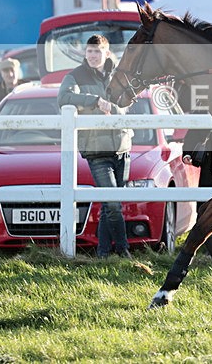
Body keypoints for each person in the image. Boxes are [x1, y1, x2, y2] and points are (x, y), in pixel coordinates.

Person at [58, 34, 134, 258]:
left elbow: (129, 101)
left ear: (107, 53)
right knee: (113, 204)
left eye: (97, 51)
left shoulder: (119, 74)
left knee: (110, 205)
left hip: (122, 146)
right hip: (96, 150)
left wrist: (117, 108)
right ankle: (123, 250)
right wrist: (94, 100)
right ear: (85, 53)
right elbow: (63, 98)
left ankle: (102, 254)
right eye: (89, 51)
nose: (92, 55)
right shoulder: (75, 76)